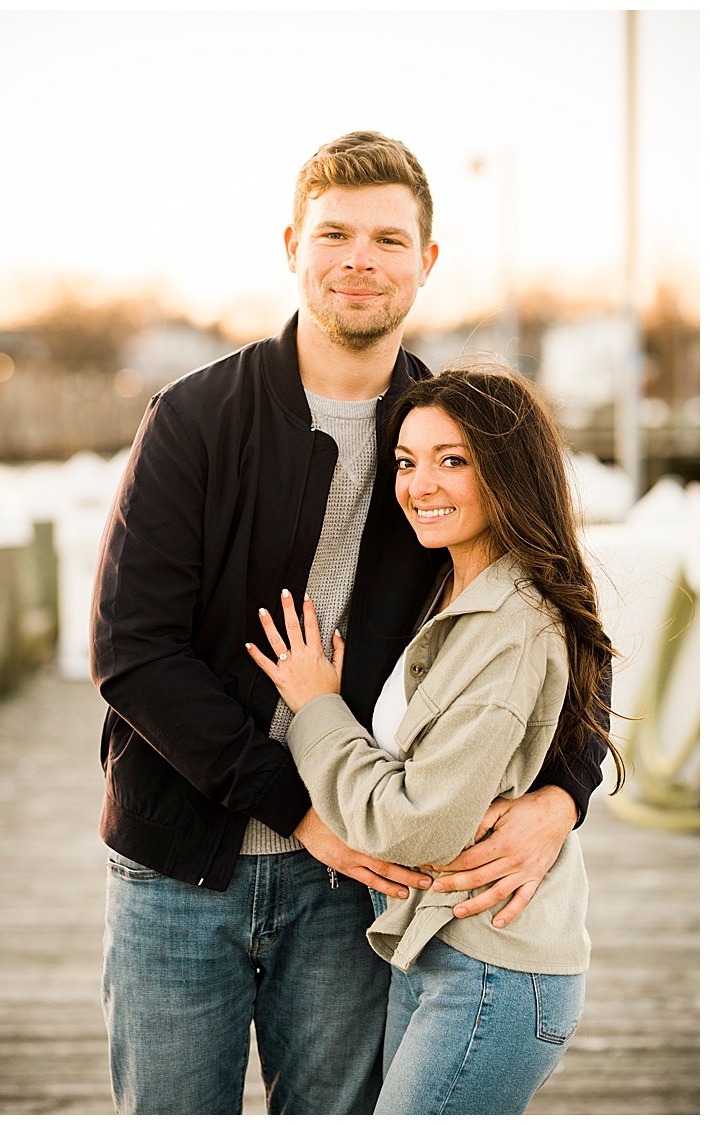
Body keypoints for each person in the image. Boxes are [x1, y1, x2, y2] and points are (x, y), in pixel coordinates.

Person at [89, 132, 607, 1114]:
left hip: (360, 888)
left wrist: (562, 797)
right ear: (293, 245)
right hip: (178, 868)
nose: (358, 259)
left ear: (428, 262)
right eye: (334, 234)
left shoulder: (454, 435)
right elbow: (133, 652)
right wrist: (301, 811)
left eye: (387, 238)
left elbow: (563, 623)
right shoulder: (196, 417)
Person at [248, 363, 620, 1112]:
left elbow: (417, 824)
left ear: (508, 472)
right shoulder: (446, 586)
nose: (421, 485)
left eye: (453, 460)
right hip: (433, 946)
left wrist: (318, 708)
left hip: (495, 969)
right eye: (407, 462)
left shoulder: (511, 624)